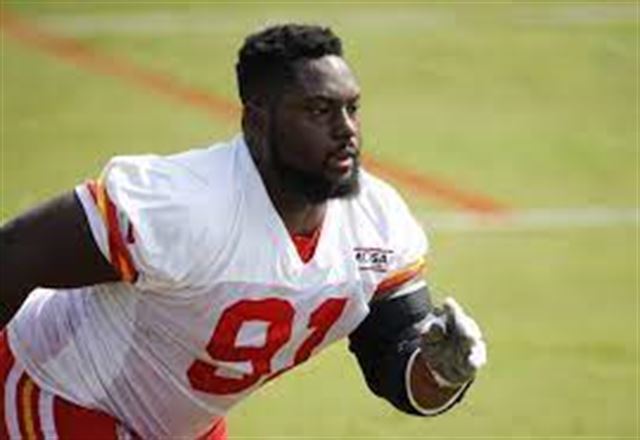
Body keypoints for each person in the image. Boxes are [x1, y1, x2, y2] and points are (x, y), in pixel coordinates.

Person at [0, 24, 487, 439]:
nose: (347, 130)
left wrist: (441, 372)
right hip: (55, 390)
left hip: (178, 425)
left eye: (351, 108)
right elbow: (14, 253)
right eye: (319, 111)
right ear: (258, 121)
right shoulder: (184, 203)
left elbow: (394, 360)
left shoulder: (378, 223)